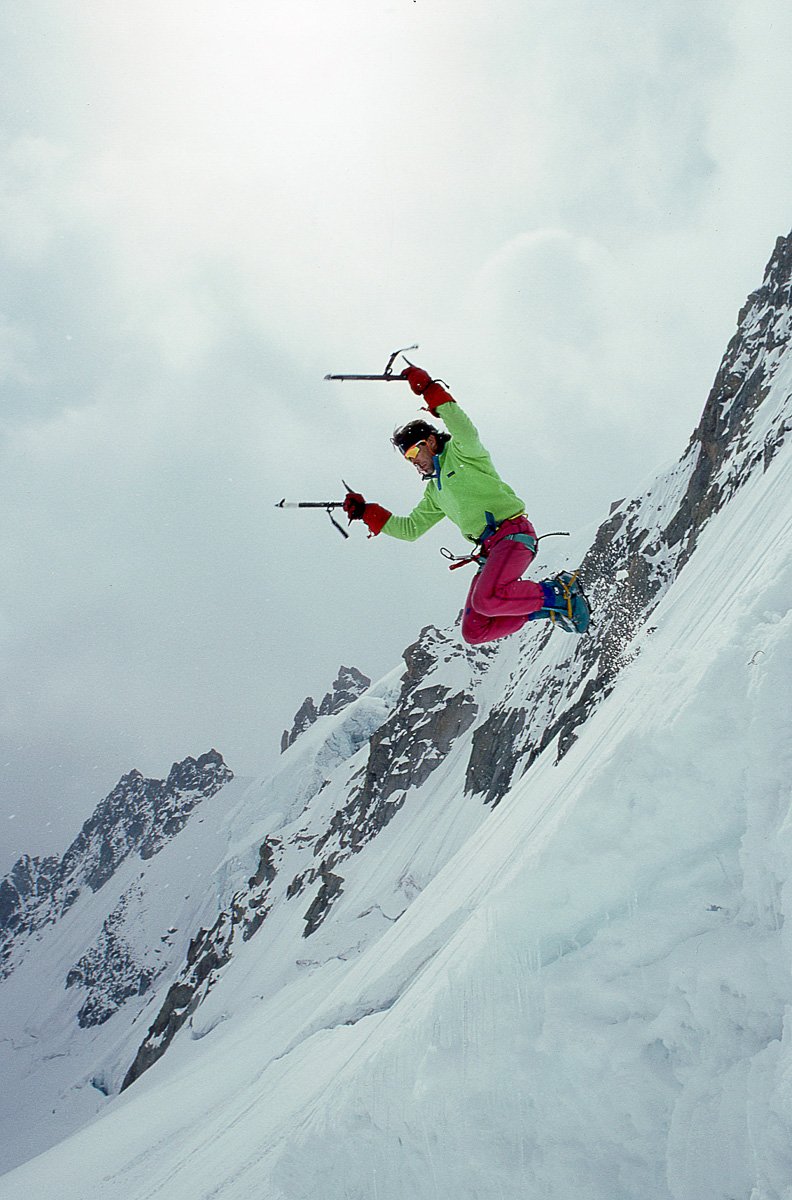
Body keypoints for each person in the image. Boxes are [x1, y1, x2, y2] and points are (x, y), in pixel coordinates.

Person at [342, 365, 589, 644]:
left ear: (432, 441)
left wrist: (428, 390)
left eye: (414, 451)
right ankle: (548, 610)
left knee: (487, 599)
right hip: (491, 550)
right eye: (408, 459)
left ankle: (558, 592)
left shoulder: (464, 452)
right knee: (475, 630)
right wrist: (366, 512)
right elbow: (409, 529)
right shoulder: (435, 492)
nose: (414, 461)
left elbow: (462, 426)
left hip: (512, 534)